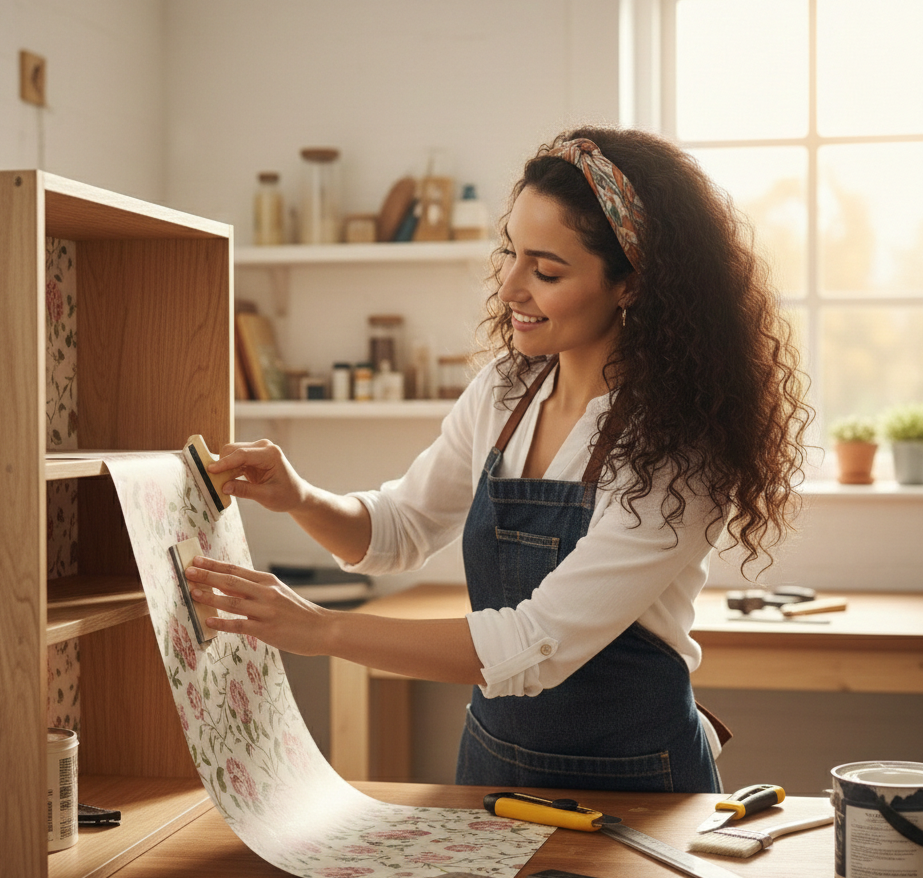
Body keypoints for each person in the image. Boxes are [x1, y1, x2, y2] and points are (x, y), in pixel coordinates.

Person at [185, 125, 811, 792]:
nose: (510, 287)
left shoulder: (678, 449)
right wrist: (300, 497)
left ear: (631, 285)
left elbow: (534, 644)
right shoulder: (508, 389)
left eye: (545, 270)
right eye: (510, 252)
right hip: (493, 767)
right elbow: (399, 528)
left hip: (642, 784)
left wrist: (323, 632)